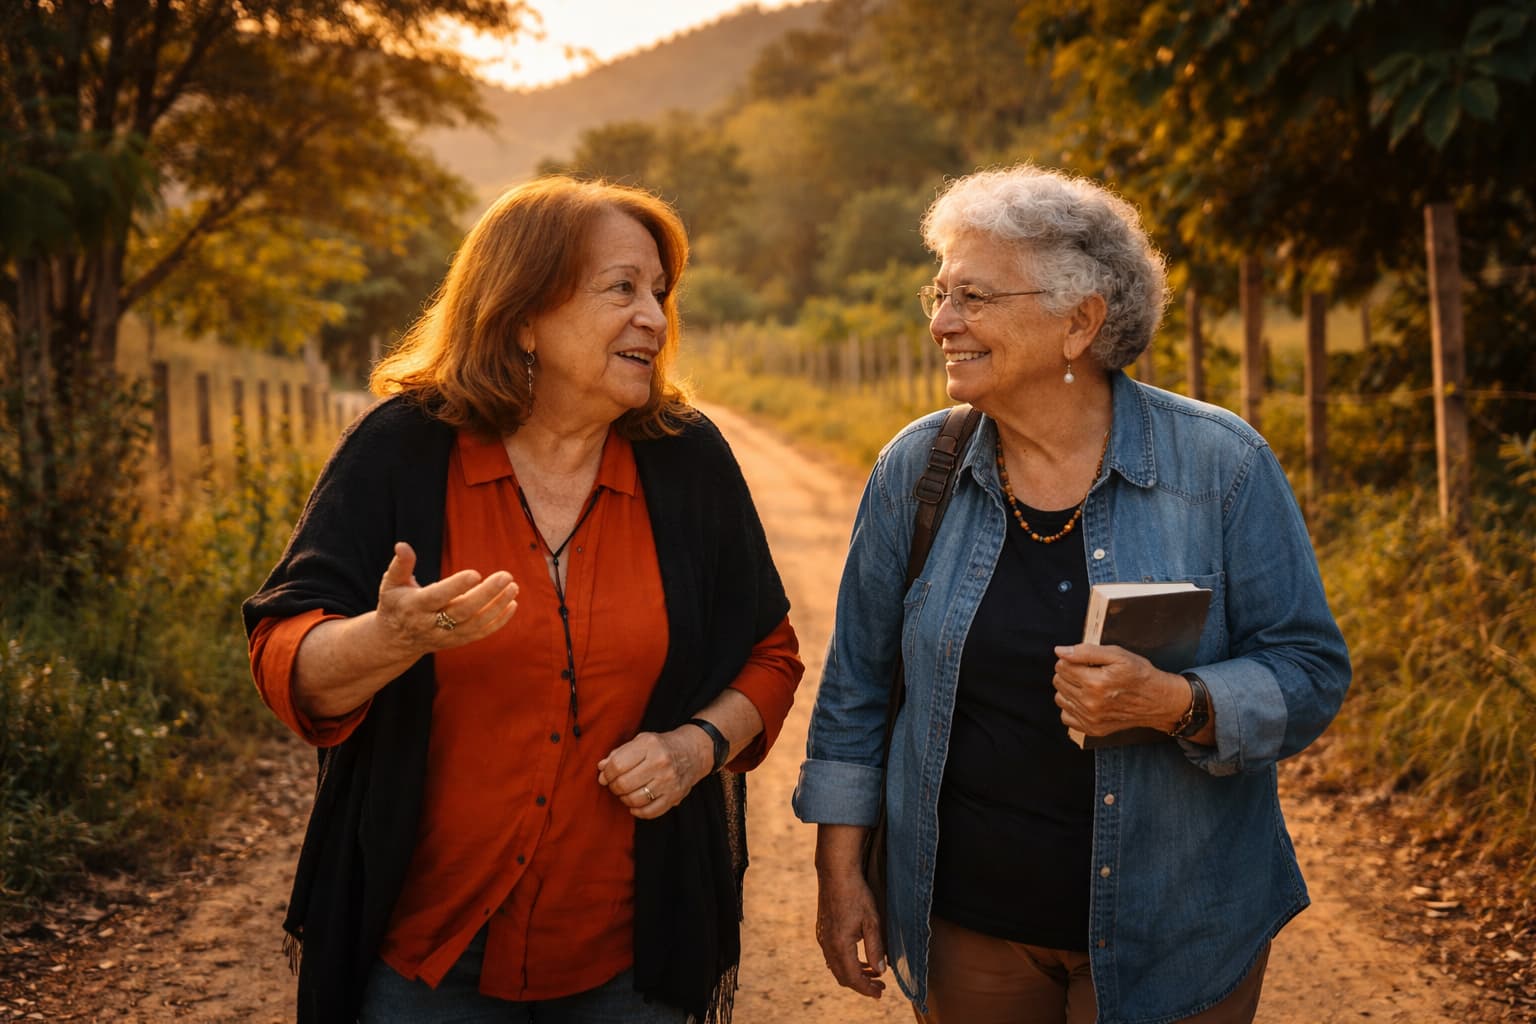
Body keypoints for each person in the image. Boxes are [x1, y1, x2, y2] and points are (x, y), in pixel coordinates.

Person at [793, 164, 1350, 1024]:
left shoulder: (1220, 467)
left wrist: (1178, 701)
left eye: (974, 298)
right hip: (971, 929)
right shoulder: (918, 469)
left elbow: (1310, 671)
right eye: (939, 294)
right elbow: (858, 689)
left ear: (1079, 323)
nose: (943, 323)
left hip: (1177, 927)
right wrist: (841, 873)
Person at [243, 176, 804, 1024]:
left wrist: (695, 748)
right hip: (425, 954)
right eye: (622, 288)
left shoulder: (685, 459)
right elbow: (291, 665)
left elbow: (771, 654)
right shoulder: (400, 451)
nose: (654, 316)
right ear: (523, 316)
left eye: (659, 291)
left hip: (630, 956)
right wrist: (387, 640)